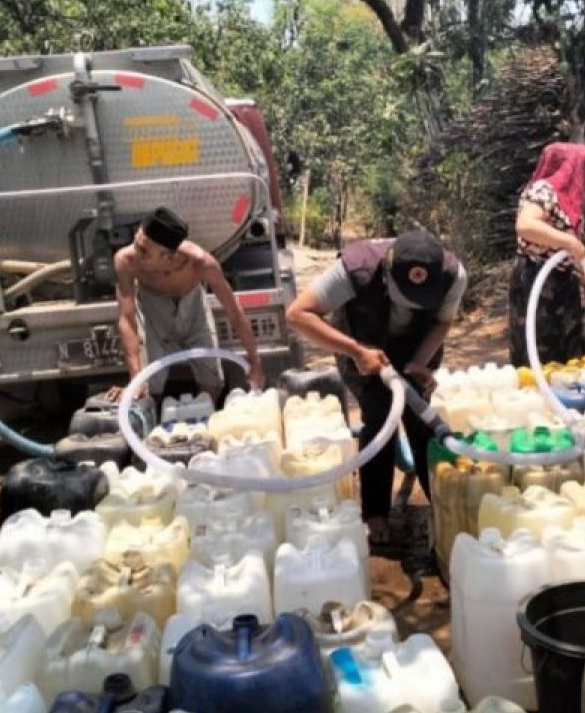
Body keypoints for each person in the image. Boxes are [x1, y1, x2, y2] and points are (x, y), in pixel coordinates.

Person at [285, 231, 468, 544]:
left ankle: (442, 505)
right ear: (386, 276)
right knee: (380, 416)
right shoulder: (355, 269)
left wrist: (419, 364)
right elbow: (297, 314)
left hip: (416, 347)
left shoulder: (453, 275)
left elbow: (442, 321)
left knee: (422, 419)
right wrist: (357, 352)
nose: (414, 305)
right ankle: (375, 515)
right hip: (361, 346)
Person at [110, 208, 264, 402]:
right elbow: (127, 318)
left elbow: (234, 311)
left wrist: (255, 363)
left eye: (144, 251)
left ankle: (203, 418)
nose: (136, 252)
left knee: (213, 382)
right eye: (136, 243)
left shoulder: (200, 262)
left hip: (192, 306)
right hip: (152, 310)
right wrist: (135, 379)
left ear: (168, 256)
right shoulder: (125, 260)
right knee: (147, 388)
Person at [508, 142, 585, 367]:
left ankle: (563, 397)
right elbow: (525, 225)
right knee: (539, 350)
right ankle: (538, 397)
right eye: (584, 170)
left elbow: (574, 248)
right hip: (537, 279)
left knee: (567, 350)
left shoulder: (569, 200)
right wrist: (568, 241)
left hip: (563, 281)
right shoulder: (544, 189)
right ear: (571, 167)